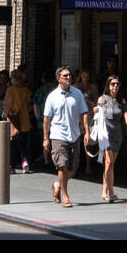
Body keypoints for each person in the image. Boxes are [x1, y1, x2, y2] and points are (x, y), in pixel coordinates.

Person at [43, 65, 89, 208]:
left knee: (73, 169)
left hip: (74, 135)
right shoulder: (52, 96)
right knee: (62, 166)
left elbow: (84, 113)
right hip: (58, 135)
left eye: (69, 75)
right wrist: (46, 138)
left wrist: (87, 131)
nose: (69, 77)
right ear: (58, 79)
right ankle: (65, 196)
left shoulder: (78, 93)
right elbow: (47, 119)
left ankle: (58, 184)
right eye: (65, 76)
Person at [95, 75, 127, 203]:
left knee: (111, 164)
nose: (115, 86)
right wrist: (96, 109)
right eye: (112, 84)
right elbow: (98, 113)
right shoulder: (103, 99)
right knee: (109, 162)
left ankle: (106, 190)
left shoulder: (121, 101)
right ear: (108, 85)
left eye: (117, 84)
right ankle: (109, 192)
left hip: (117, 134)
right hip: (106, 134)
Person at [3, 69, 32, 173]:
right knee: (22, 143)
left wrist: (4, 115)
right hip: (24, 119)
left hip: (13, 120)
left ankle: (11, 166)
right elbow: (29, 103)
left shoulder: (11, 90)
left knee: (12, 144)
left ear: (13, 79)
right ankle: (24, 161)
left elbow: (7, 106)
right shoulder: (25, 90)